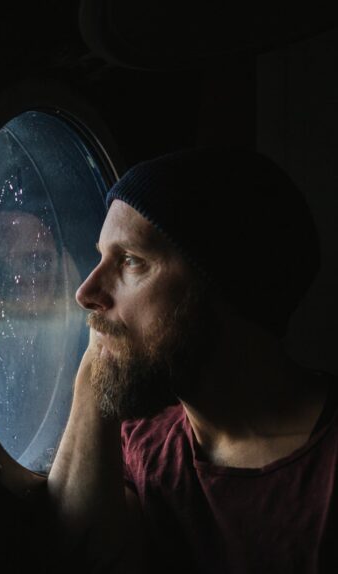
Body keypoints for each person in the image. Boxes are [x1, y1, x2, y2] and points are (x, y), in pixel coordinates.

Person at [47, 147, 335, 573]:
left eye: (130, 261)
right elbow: (84, 553)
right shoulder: (141, 441)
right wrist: (100, 358)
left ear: (224, 285)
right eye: (100, 257)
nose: (85, 291)